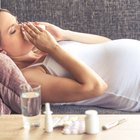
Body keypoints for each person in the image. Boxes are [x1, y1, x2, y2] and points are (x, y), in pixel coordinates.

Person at [0, 8, 140, 112]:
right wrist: (53, 48)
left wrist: (64, 34)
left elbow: (106, 43)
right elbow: (95, 87)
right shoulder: (29, 78)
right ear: (2, 52)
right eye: (13, 31)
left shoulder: (41, 47)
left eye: (18, 22)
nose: (23, 27)